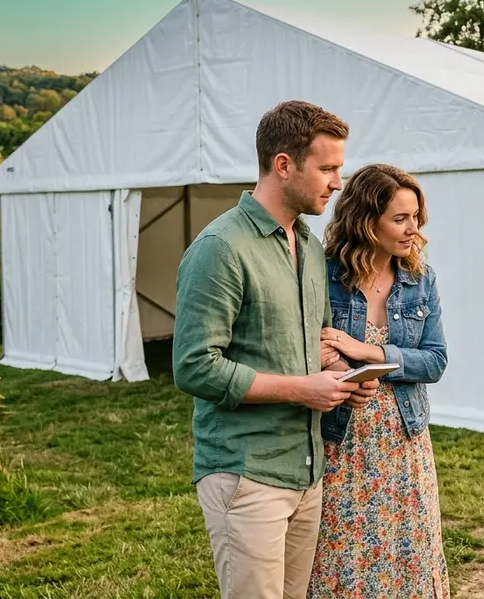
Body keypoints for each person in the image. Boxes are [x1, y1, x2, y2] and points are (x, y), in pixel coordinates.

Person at [172, 100, 378, 599]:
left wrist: (342, 376)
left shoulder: (308, 245)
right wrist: (303, 389)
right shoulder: (220, 247)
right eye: (327, 168)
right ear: (283, 165)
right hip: (246, 474)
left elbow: (315, 340)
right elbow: (195, 367)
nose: (337, 182)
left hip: (305, 470)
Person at [306, 163, 451, 599]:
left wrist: (370, 351)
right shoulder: (324, 275)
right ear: (367, 221)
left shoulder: (421, 280)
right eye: (400, 218)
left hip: (404, 443)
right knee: (342, 556)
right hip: (342, 441)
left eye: (416, 218)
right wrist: (335, 362)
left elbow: (436, 361)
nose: (413, 230)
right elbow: (308, 345)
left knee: (408, 554)